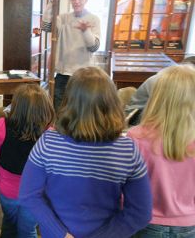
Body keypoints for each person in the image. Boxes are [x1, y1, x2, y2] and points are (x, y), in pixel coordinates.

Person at [19, 66, 152, 238]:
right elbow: (140, 213)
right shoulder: (128, 150)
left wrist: (60, 233)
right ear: (112, 102)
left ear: (68, 102)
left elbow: (28, 195)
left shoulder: (47, 143)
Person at [127, 64, 195, 238]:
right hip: (189, 223)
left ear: (157, 96)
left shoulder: (136, 137)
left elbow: (126, 186)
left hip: (146, 222)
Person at [0, 84, 54, 237]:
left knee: (9, 223)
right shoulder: (50, 134)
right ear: (45, 108)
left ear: (15, 106)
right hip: (36, 194)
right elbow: (54, 167)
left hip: (7, 189)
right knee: (28, 230)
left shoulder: (1, 126)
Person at [42, 0, 100, 110]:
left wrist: (86, 31)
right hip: (62, 74)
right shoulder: (64, 18)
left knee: (80, 110)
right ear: (70, 0)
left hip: (83, 76)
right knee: (58, 109)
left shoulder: (94, 19)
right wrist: (52, 2)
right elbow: (46, 27)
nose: (77, 1)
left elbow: (94, 47)